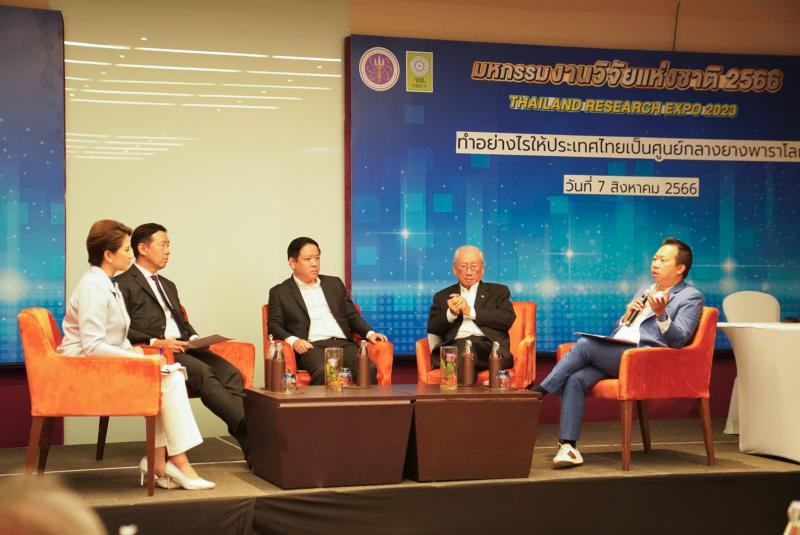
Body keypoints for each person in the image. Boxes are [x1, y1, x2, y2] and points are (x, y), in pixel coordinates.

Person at [58, 220, 213, 490]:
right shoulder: (93, 286)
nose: (131, 254)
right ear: (108, 255)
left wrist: (141, 354)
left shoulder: (108, 285)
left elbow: (117, 340)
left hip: (101, 364)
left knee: (171, 375)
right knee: (169, 379)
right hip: (84, 371)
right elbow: (93, 346)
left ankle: (161, 462)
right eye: (126, 250)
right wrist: (141, 359)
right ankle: (177, 463)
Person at [530, 237, 704, 468]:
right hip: (622, 353)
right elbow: (623, 331)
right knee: (577, 378)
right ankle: (568, 447)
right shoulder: (645, 290)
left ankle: (539, 392)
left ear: (680, 268)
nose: (655, 263)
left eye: (663, 260)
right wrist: (625, 317)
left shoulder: (690, 296)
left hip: (645, 360)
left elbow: (679, 339)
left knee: (584, 344)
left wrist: (661, 314)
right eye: (654, 258)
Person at [115, 223, 248, 461]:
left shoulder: (168, 285)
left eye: (169, 245)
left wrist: (196, 339)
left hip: (184, 346)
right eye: (163, 245)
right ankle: (250, 432)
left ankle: (247, 433)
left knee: (231, 374)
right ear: (143, 248)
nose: (168, 251)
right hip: (159, 351)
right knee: (204, 373)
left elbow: (182, 322)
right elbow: (120, 328)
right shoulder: (122, 283)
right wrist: (156, 341)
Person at [267, 237, 387, 385]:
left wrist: (370, 333)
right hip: (311, 347)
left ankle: (365, 402)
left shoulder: (334, 283)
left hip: (342, 344)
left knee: (367, 368)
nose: (314, 264)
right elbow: (274, 325)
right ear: (293, 262)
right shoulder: (280, 292)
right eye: (308, 259)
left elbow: (351, 314)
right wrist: (294, 341)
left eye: (317, 258)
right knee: (324, 371)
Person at [427, 245, 516, 370]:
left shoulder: (498, 291)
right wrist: (451, 313)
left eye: (474, 266)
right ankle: (468, 378)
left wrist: (470, 311)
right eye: (463, 266)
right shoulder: (442, 296)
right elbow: (433, 328)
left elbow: (507, 319)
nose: (469, 272)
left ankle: (454, 379)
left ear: (482, 268)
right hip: (455, 347)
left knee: (467, 348)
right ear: (454, 269)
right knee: (464, 349)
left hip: (489, 349)